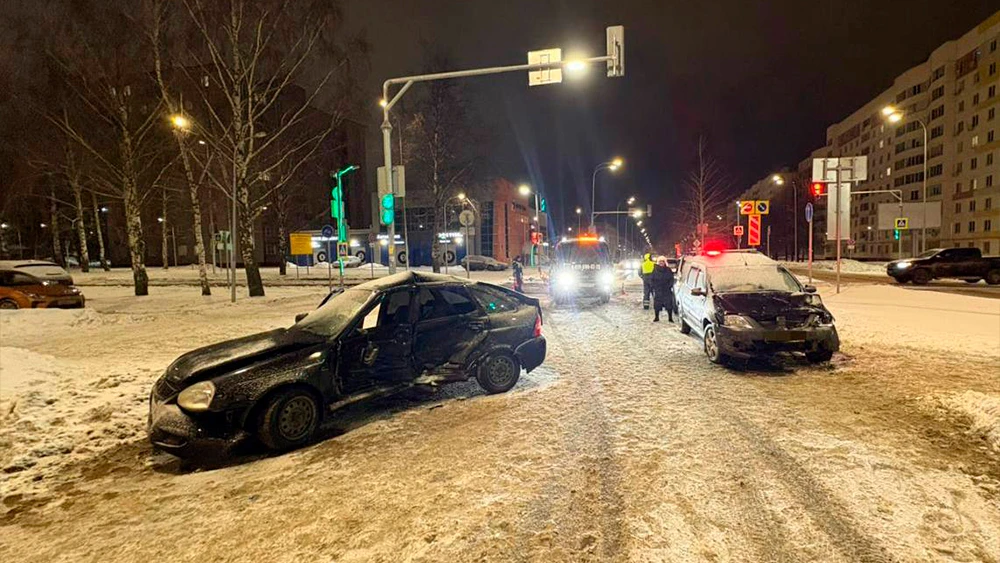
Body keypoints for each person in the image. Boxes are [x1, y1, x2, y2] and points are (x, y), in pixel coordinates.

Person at [650, 255, 675, 322]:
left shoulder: (668, 270)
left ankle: (670, 318)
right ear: (658, 262)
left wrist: (670, 285)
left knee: (669, 304)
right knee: (657, 304)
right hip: (658, 289)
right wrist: (654, 287)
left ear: (665, 262)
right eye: (660, 261)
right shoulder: (655, 270)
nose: (661, 263)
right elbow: (652, 279)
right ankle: (656, 317)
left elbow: (671, 279)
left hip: (667, 290)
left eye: (663, 261)